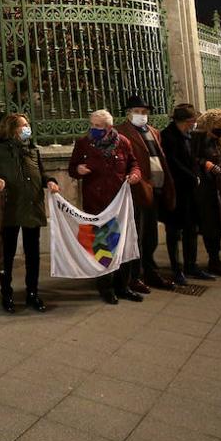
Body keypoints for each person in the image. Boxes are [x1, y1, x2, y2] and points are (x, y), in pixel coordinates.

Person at [0, 112, 59, 312]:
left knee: (33, 254)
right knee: (8, 254)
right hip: (10, 209)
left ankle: (32, 293)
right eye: (23, 125)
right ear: (12, 130)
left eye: (27, 124)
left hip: (32, 207)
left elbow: (41, 172)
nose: (27, 128)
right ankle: (7, 294)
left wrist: (50, 181)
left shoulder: (32, 150)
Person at [69, 109, 143, 304]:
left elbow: (133, 165)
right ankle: (105, 287)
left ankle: (123, 285)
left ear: (109, 128)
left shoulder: (123, 142)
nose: (93, 129)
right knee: (103, 247)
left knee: (123, 245)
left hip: (119, 204)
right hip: (97, 204)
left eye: (98, 126)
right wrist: (78, 169)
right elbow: (72, 168)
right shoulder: (84, 143)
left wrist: (135, 175)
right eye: (92, 125)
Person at [115, 96, 176, 292]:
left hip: (155, 188)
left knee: (150, 234)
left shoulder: (153, 132)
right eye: (137, 111)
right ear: (129, 112)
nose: (141, 115)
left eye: (144, 112)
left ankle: (150, 271)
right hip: (137, 190)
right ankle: (134, 275)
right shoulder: (121, 132)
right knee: (137, 235)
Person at [161, 103, 213, 284]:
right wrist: (191, 176)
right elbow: (172, 162)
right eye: (192, 121)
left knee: (191, 229)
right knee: (174, 231)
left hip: (191, 191)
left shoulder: (191, 136)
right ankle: (176, 268)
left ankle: (191, 265)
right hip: (176, 190)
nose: (194, 124)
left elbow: (195, 158)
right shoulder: (168, 136)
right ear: (184, 121)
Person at [190, 108, 221, 277]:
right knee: (207, 224)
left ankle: (215, 259)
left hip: (214, 185)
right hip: (200, 187)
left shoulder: (217, 139)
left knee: (215, 225)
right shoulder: (197, 137)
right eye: (218, 126)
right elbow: (190, 157)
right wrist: (204, 163)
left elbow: (217, 157)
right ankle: (204, 261)